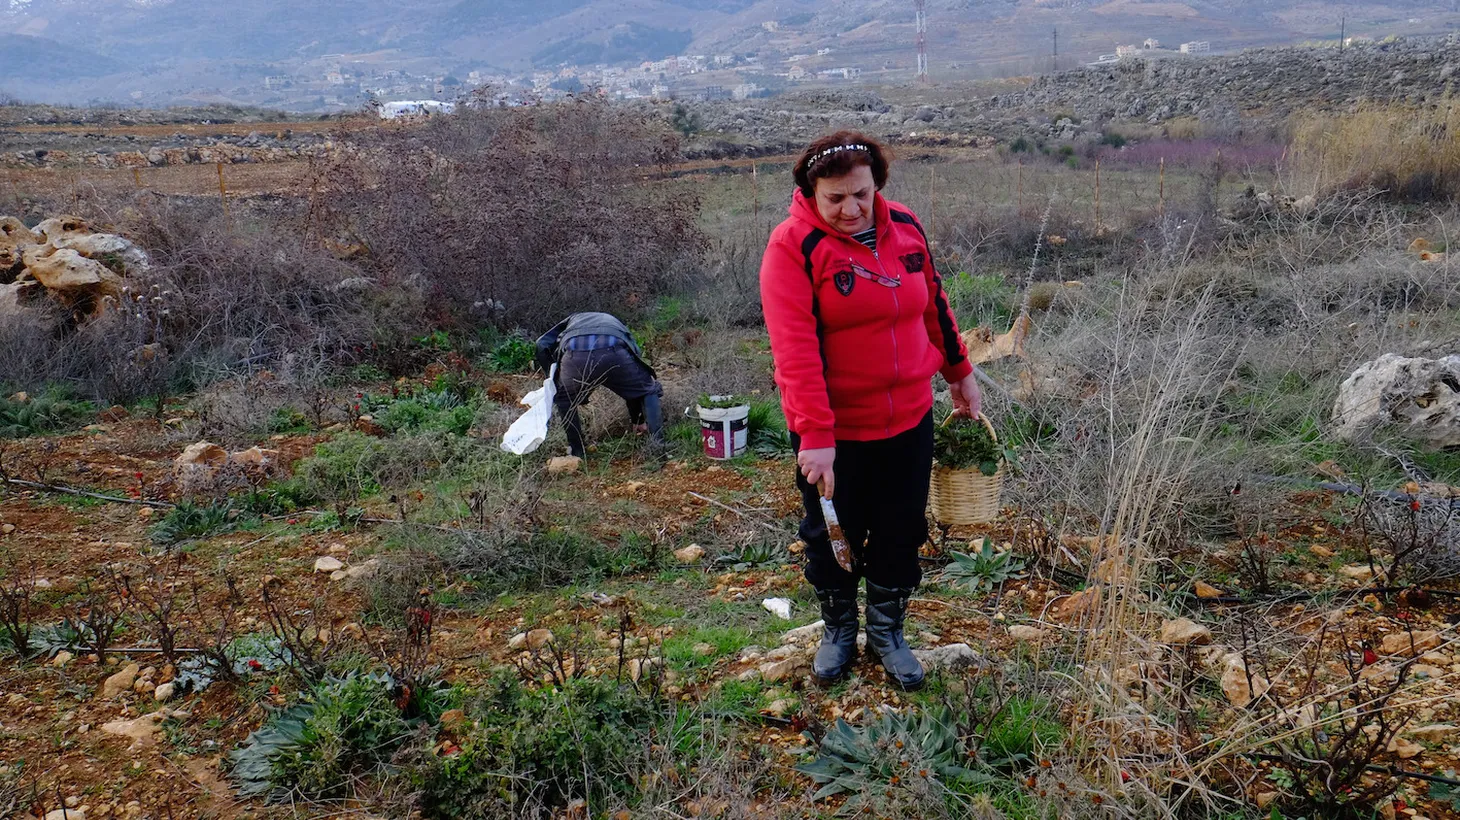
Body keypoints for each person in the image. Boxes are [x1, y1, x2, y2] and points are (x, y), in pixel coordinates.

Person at [759, 132, 981, 691]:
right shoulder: (793, 247)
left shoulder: (904, 227)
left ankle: (887, 632)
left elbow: (934, 302)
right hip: (835, 434)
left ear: (876, 184)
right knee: (833, 531)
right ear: (812, 194)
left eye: (860, 194)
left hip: (909, 418)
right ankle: (839, 631)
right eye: (835, 199)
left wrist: (960, 374)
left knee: (900, 528)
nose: (850, 209)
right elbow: (795, 352)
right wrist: (815, 435)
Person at [534, 311, 665, 459]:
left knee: (564, 399)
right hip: (615, 352)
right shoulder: (613, 321)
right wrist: (637, 418)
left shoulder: (571, 321)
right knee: (646, 390)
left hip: (574, 357)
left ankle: (578, 451)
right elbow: (635, 355)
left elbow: (541, 344)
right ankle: (658, 446)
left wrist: (552, 378)